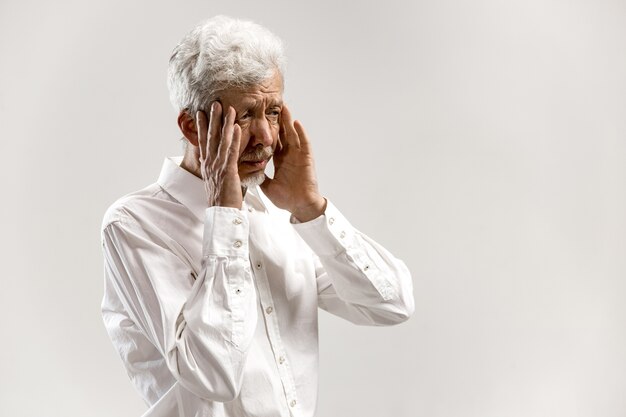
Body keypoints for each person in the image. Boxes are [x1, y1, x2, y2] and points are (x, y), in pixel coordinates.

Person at [100, 15, 414, 417]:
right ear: (192, 127)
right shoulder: (133, 225)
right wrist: (224, 215)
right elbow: (212, 375)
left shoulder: (279, 214)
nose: (266, 137)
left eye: (273, 111)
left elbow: (391, 305)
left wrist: (310, 209)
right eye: (246, 115)